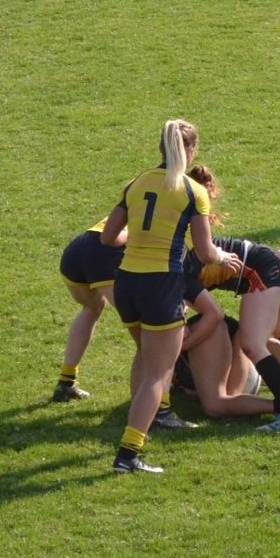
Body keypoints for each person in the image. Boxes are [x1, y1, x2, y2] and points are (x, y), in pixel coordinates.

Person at [100, 120, 243, 475]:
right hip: (161, 284)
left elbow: (108, 238)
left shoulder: (136, 183)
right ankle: (129, 454)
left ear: (161, 149)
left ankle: (156, 416)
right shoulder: (194, 191)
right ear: (191, 150)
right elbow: (207, 252)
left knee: (146, 358)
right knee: (157, 372)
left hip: (126, 283)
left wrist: (138, 241)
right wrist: (224, 258)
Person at [184, 164, 280, 431]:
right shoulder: (184, 251)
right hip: (266, 267)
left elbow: (212, 313)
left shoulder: (177, 266)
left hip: (263, 272)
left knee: (253, 344)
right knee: (264, 338)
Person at [52, 218, 125, 402]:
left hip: (77, 250)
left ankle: (66, 381)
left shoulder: (134, 193)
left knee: (92, 307)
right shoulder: (182, 204)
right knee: (146, 324)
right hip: (105, 254)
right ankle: (159, 398)